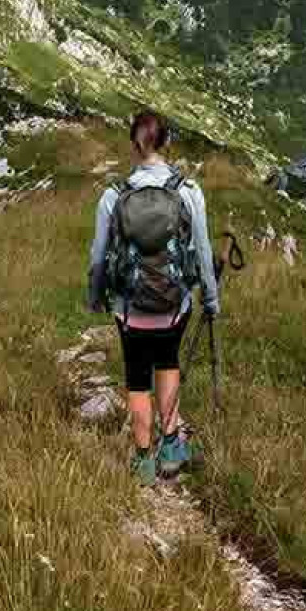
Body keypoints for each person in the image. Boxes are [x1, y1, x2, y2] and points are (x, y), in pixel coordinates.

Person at [87, 109, 219, 484]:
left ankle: (144, 459)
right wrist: (210, 298)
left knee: (136, 378)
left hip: (129, 310)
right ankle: (173, 446)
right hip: (174, 307)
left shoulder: (113, 197)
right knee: (168, 362)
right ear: (167, 143)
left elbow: (98, 257)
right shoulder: (188, 192)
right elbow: (203, 251)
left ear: (133, 144)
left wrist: (95, 297)